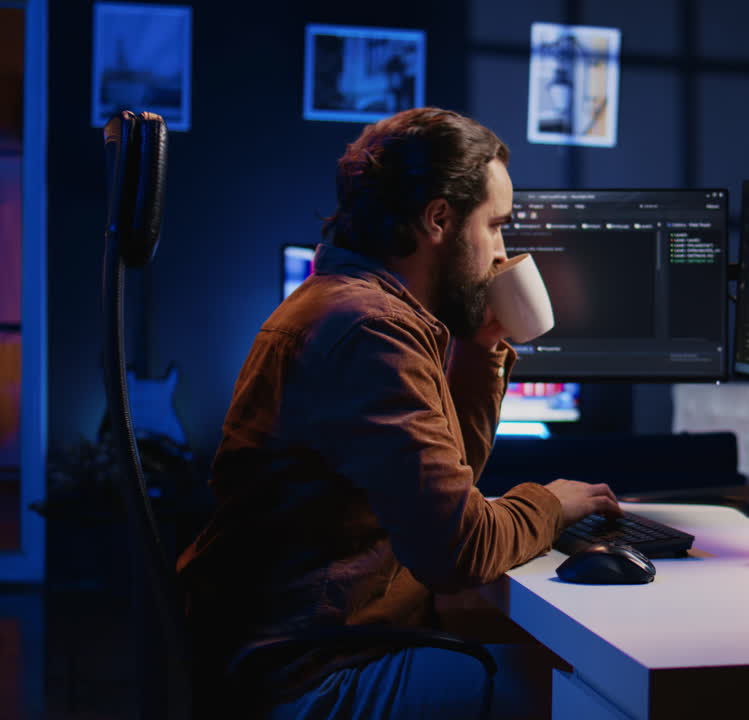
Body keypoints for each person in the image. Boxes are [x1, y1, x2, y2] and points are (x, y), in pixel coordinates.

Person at [176, 107, 622, 717]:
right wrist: (552, 505)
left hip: (305, 651)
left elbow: (442, 494)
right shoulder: (372, 331)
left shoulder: (348, 305)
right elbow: (459, 549)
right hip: (309, 678)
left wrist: (478, 350)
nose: (501, 253)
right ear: (439, 218)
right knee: (603, 702)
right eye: (495, 227)